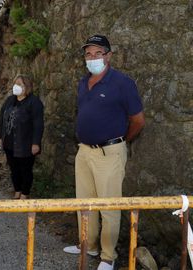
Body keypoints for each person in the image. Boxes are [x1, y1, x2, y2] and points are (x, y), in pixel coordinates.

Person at [63, 35, 145, 270]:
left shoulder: (122, 83)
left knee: (108, 206)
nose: (93, 58)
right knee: (84, 203)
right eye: (88, 54)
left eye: (98, 53)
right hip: (84, 152)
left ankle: (108, 257)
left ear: (108, 55)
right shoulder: (83, 82)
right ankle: (88, 245)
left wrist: (120, 142)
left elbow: (138, 121)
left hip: (110, 153)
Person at [0, 74, 44, 199]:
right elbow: (2, 118)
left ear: (27, 87)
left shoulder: (34, 102)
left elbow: (38, 124)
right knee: (14, 169)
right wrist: (0, 137)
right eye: (15, 84)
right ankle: (17, 189)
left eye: (19, 84)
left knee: (25, 170)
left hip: (25, 143)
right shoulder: (9, 100)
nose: (16, 86)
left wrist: (36, 143)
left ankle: (25, 192)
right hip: (9, 142)